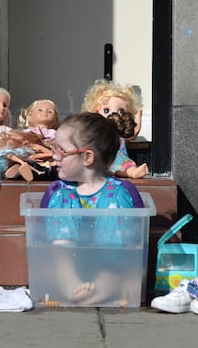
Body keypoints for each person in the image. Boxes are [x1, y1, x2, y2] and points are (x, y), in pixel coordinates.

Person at [39, 111, 144, 306]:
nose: (54, 155)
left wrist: (130, 276)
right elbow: (42, 231)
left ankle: (109, 280)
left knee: (116, 196)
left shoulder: (122, 192)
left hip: (112, 264)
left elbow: (136, 236)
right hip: (70, 262)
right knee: (61, 196)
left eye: (61, 150)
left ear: (87, 157)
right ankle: (67, 279)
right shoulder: (59, 192)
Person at [82, 79, 149, 179]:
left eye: (121, 111)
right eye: (106, 110)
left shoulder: (121, 131)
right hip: (101, 159)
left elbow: (133, 133)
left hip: (119, 160)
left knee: (128, 167)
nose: (114, 113)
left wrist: (138, 117)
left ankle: (133, 173)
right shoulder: (98, 130)